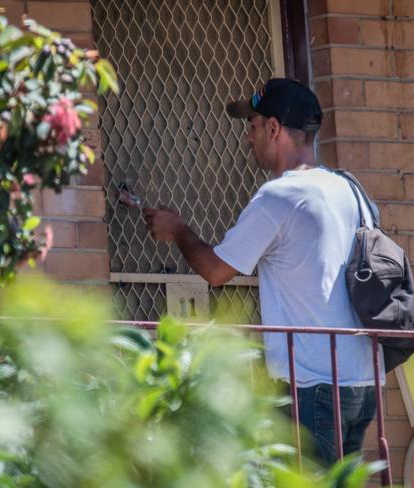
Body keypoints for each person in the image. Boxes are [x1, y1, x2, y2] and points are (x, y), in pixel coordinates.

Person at [143, 78, 380, 465]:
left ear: (273, 128)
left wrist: (179, 230)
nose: (247, 138)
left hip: (311, 383)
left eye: (252, 126)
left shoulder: (282, 195)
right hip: (361, 379)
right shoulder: (350, 190)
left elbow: (216, 271)